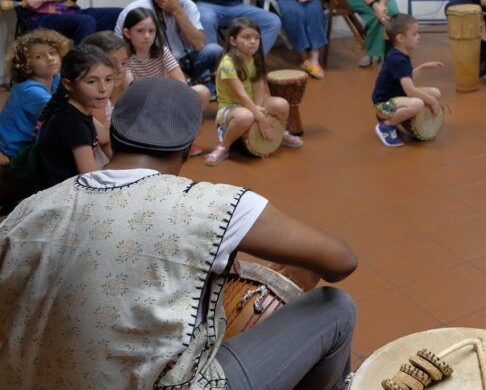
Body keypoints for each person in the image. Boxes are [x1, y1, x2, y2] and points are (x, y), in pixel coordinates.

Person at [0, 76, 358, 387]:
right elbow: (341, 262)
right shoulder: (215, 204)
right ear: (188, 146)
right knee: (336, 307)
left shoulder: (34, 206)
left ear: (113, 133)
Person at [116, 0, 223, 93]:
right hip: (153, 64)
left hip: (186, 60)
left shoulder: (187, 5)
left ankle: (206, 87)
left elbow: (198, 44)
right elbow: (119, 50)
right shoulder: (135, 9)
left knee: (214, 50)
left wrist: (177, 11)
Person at [205, 18, 303, 166]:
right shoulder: (227, 64)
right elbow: (241, 95)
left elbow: (259, 86)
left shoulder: (255, 58)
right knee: (246, 116)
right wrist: (261, 119)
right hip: (232, 108)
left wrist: (259, 108)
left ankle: (281, 133)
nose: (252, 42)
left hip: (251, 103)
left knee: (282, 104)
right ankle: (223, 147)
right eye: (246, 37)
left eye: (256, 38)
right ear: (233, 41)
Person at [31, 46, 115, 192]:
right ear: (68, 84)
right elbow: (91, 179)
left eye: (108, 79)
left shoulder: (76, 109)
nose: (103, 88)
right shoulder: (72, 122)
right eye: (91, 81)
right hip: (60, 197)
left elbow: (103, 138)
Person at [371, 13, 443, 148]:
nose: (419, 37)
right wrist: (432, 102)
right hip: (383, 105)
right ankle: (386, 125)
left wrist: (422, 68)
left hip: (397, 97)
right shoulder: (398, 60)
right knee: (417, 104)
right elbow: (410, 90)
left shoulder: (400, 54)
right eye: (414, 34)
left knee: (436, 92)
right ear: (401, 38)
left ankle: (400, 116)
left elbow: (405, 77)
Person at [0, 29, 68, 160]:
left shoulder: (55, 78)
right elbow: (62, 117)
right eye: (39, 57)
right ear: (26, 66)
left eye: (52, 52)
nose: (50, 58)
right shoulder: (30, 91)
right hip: (15, 151)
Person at [122, 7, 211, 105]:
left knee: (202, 92)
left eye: (151, 31)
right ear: (128, 33)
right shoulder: (124, 57)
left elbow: (182, 83)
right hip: (142, 103)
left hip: (165, 96)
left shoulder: (162, 51)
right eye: (140, 31)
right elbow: (131, 93)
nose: (147, 36)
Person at [80, 31, 133, 161]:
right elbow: (104, 140)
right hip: (99, 159)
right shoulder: (96, 96)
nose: (120, 69)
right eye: (112, 64)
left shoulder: (121, 83)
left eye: (124, 63)